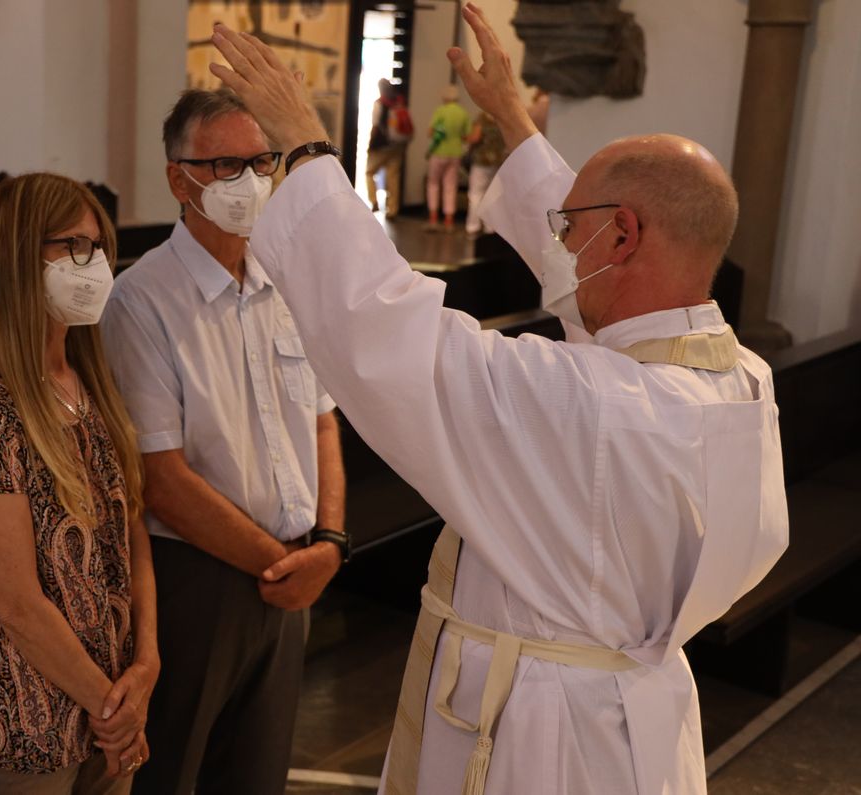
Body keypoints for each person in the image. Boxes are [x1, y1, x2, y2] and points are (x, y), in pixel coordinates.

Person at [206, 5, 787, 794]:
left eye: (570, 224)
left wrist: (308, 149)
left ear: (619, 236)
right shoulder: (739, 381)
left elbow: (389, 331)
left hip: (541, 739)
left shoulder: (593, 406)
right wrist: (514, 120)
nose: (558, 240)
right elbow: (595, 280)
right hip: (634, 718)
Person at [100, 88, 348, 795]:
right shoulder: (142, 300)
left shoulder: (286, 284)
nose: (250, 181)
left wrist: (329, 540)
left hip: (293, 571)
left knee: (257, 772)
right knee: (176, 768)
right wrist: (282, 566)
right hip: (200, 579)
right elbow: (162, 477)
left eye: (261, 162)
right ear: (180, 178)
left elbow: (323, 420)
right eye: (226, 165)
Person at [0, 174, 159, 794]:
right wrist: (116, 712)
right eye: (73, 247)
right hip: (26, 718)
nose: (94, 266)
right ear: (18, 256)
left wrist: (147, 662)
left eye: (100, 248)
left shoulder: (90, 378)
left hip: (110, 697)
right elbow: (19, 604)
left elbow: (130, 526)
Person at [425, 84, 472, 232]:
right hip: (455, 153)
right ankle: (449, 221)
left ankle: (433, 219)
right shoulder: (463, 113)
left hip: (439, 152)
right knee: (450, 186)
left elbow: (431, 132)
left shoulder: (440, 111)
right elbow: (467, 136)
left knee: (433, 184)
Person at [367, 78, 413, 218]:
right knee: (393, 177)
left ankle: (374, 201)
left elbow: (375, 126)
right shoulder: (399, 103)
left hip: (381, 145)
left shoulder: (379, 104)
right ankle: (392, 210)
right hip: (397, 146)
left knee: (369, 172)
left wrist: (371, 144)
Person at [465, 111, 507, 238]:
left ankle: (473, 225)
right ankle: (490, 227)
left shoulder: (482, 118)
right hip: (497, 161)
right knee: (492, 195)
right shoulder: (501, 117)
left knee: (476, 193)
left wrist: (466, 138)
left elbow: (475, 137)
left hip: (482, 161)